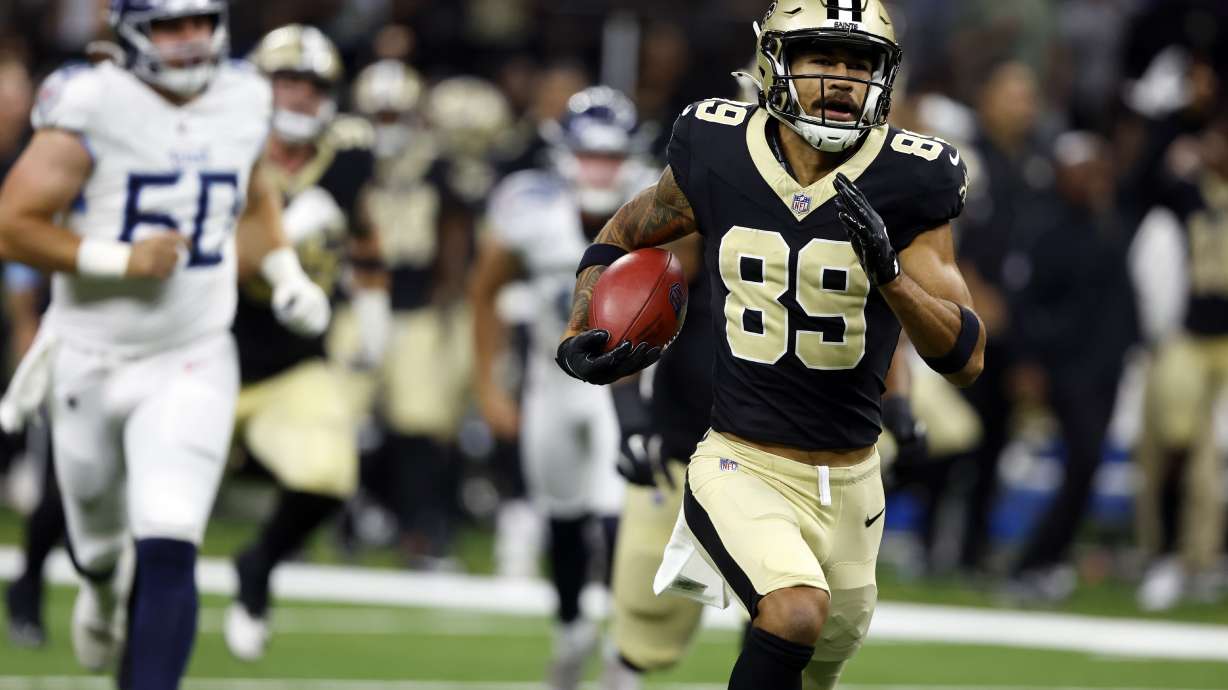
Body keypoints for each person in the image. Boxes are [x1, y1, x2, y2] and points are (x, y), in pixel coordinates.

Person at [556, 3, 983, 688]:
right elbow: (622, 234)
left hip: (852, 480)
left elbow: (965, 356)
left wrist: (892, 278)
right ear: (776, 62)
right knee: (793, 613)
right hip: (741, 461)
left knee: (814, 669)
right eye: (824, 59)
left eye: (861, 63)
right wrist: (581, 325)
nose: (844, 80)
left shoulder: (913, 177)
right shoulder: (719, 148)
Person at [0, 2, 330, 688]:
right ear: (129, 31)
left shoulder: (243, 96)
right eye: (168, 26)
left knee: (171, 539)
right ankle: (96, 587)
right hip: (90, 354)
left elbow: (253, 191)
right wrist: (120, 260)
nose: (188, 41)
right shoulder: (91, 102)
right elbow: (12, 225)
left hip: (191, 352)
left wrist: (283, 268)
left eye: (199, 23)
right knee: (95, 547)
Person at [472, 86, 655, 690]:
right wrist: (488, 384)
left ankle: (624, 653)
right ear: (562, 153)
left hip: (626, 386)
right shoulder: (528, 203)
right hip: (552, 386)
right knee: (563, 520)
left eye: (610, 156)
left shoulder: (659, 204)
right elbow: (485, 291)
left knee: (617, 518)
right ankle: (574, 627)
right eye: (588, 155)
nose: (598, 168)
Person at [223, 25, 390, 661]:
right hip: (205, 348)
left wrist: (372, 310)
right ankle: (39, 576)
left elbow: (365, 237)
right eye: (284, 81)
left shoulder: (346, 158)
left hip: (290, 362)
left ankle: (259, 563)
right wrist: (283, 239)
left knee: (328, 475)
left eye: (311, 84)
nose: (296, 96)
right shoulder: (224, 144)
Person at [1003, 132, 1137, 601]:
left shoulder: (1108, 221)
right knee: (1081, 461)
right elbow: (1025, 304)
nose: (1092, 178)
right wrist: (1028, 362)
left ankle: (1047, 560)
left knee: (1087, 465)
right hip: (1066, 368)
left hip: (1105, 367)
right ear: (1063, 174)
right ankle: (1031, 562)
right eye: (1082, 170)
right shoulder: (1045, 227)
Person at [1134, 110, 1228, 611]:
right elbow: (1143, 183)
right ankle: (1167, 554)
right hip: (1190, 336)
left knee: (1214, 462)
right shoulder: (1183, 192)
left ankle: (1205, 556)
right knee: (1173, 443)